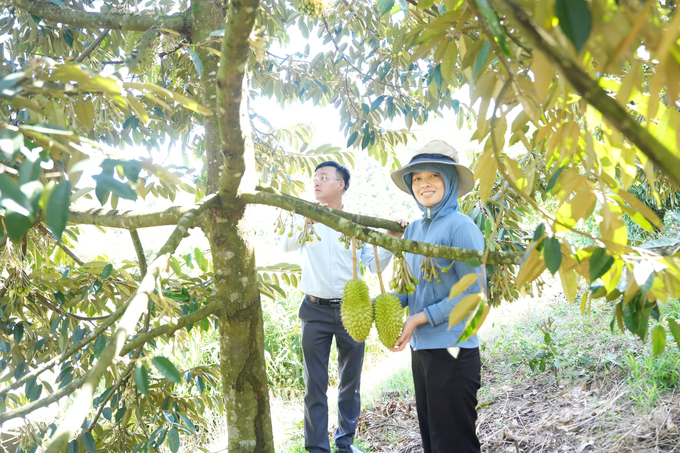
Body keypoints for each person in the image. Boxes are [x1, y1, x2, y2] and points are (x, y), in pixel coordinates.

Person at [280, 161, 394, 453]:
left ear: (340, 184)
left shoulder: (355, 223)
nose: (316, 182)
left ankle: (345, 442)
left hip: (351, 310)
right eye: (314, 177)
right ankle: (317, 448)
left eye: (324, 177)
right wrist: (307, 219)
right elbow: (287, 245)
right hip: (314, 311)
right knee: (314, 386)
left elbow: (373, 263)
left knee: (350, 382)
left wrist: (391, 243)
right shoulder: (304, 217)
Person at [389, 140, 486, 453]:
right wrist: (385, 306)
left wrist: (418, 318)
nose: (424, 184)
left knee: (454, 444)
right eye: (417, 178)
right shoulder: (414, 229)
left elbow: (473, 296)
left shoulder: (463, 228)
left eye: (434, 176)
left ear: (451, 181)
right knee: (433, 440)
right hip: (423, 352)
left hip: (453, 350)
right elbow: (411, 288)